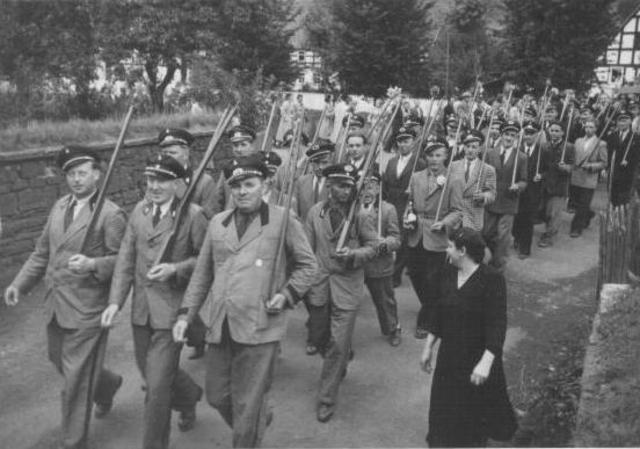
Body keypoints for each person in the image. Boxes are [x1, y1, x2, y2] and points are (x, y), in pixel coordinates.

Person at [173, 154, 318, 448]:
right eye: (236, 185)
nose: (242, 191)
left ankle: (248, 433)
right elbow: (202, 275)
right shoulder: (218, 223)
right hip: (221, 324)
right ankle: (254, 421)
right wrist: (185, 315)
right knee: (216, 395)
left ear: (264, 185)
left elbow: (308, 266)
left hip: (260, 324)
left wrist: (287, 294)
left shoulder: (282, 220)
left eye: (249, 184)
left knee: (247, 404)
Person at [4, 146, 126, 449]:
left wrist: (93, 264)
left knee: (75, 382)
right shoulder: (60, 206)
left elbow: (123, 261)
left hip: (88, 308)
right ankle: (107, 384)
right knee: (59, 360)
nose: (76, 179)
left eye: (82, 172)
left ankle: (73, 441)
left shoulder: (110, 214)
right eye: (70, 173)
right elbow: (42, 252)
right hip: (57, 306)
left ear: (97, 174)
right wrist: (19, 284)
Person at [102, 154, 207, 449]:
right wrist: (115, 302)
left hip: (172, 313)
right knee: (152, 373)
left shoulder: (193, 215)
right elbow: (125, 259)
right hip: (140, 313)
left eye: (162, 180)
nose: (154, 186)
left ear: (177, 183)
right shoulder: (139, 210)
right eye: (150, 179)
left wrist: (176, 269)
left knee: (157, 389)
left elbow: (205, 261)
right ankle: (189, 397)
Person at [420, 227, 517, 447]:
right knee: (444, 406)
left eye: (450, 246)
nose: (447, 249)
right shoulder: (447, 273)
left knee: (471, 414)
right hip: (450, 355)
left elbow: (497, 325)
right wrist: (428, 348)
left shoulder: (492, 280)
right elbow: (438, 314)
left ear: (462, 251)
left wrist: (485, 363)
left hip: (477, 357)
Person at [305, 163, 378, 423]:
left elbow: (374, 246)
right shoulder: (316, 212)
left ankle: (326, 399)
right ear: (329, 186)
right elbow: (307, 250)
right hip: (320, 285)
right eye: (340, 185)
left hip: (348, 287)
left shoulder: (360, 215)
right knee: (324, 339)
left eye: (350, 185)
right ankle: (341, 359)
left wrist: (355, 254)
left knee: (337, 342)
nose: (346, 191)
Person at [158, 127, 216, 359]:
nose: (166, 157)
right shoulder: (160, 179)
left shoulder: (204, 181)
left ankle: (163, 367)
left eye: (172, 152)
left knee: (185, 300)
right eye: (164, 153)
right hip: (170, 249)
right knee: (171, 304)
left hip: (195, 249)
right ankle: (195, 336)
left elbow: (211, 215)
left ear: (186, 152)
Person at [404, 140, 463, 339]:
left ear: (446, 156)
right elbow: (410, 204)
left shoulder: (453, 179)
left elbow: (457, 211)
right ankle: (432, 306)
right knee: (415, 274)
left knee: (432, 280)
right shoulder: (416, 177)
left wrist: (445, 223)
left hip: (437, 236)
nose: (434, 159)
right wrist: (408, 217)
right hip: (415, 234)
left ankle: (426, 320)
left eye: (438, 155)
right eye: (430, 155)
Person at [360, 172, 402, 346]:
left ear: (378, 188)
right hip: (354, 261)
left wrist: (386, 243)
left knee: (384, 300)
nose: (367, 191)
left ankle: (393, 328)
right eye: (363, 187)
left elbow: (396, 238)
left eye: (371, 186)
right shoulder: (352, 207)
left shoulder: (387, 209)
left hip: (378, 262)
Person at [382, 126, 427, 287]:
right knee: (389, 236)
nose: (402, 145)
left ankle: (396, 274)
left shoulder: (420, 163)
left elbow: (423, 186)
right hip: (391, 203)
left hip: (408, 204)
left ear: (413, 142)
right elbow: (386, 184)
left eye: (406, 141)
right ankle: (385, 270)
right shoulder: (392, 161)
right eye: (400, 141)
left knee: (403, 240)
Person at [483, 121, 528, 271]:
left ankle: (499, 265)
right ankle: (484, 261)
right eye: (506, 134)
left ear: (516, 138)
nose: (509, 138)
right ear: (501, 135)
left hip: (509, 201)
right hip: (490, 201)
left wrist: (518, 186)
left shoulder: (521, 157)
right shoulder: (490, 153)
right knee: (486, 233)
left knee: (503, 237)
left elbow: (524, 180)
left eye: (512, 135)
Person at [449, 130, 497, 232]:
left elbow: (492, 193)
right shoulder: (453, 166)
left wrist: (483, 196)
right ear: (464, 147)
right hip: (453, 218)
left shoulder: (487, 169)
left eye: (474, 147)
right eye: (468, 146)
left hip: (473, 217)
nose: (470, 150)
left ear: (479, 149)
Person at [512, 122, 547, 258]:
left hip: (533, 192)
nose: (528, 136)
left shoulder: (542, 152)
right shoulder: (517, 150)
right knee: (516, 218)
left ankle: (525, 249)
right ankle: (517, 237)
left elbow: (549, 170)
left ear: (537, 135)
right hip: (517, 191)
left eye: (532, 133)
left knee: (527, 220)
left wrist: (542, 175)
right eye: (526, 133)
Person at [538, 121, 574, 248]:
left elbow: (572, 167)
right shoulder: (544, 146)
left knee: (555, 213)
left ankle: (549, 236)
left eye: (557, 131)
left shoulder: (568, 147)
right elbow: (541, 166)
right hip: (546, 184)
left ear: (563, 132)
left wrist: (566, 167)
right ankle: (548, 229)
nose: (554, 133)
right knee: (545, 212)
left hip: (559, 185)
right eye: (552, 130)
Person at [570, 119, 608, 237]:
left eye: (591, 127)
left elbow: (604, 163)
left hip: (589, 178)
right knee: (575, 202)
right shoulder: (578, 141)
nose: (588, 129)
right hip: (576, 176)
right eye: (586, 127)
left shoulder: (600, 143)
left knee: (583, 203)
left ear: (596, 129)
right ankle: (589, 214)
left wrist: (591, 166)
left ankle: (576, 228)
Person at [211, 125, 259, 214]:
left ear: (252, 146)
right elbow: (217, 200)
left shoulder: (260, 170)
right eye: (235, 145)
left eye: (243, 145)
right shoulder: (228, 170)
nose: (239, 149)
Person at [606, 110, 640, 207]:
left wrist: (628, 161)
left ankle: (622, 218)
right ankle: (612, 218)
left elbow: (637, 156)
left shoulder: (636, 138)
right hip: (613, 170)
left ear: (630, 122)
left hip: (628, 172)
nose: (622, 123)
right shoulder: (612, 136)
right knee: (612, 195)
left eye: (625, 120)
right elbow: (608, 154)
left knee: (624, 197)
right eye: (620, 120)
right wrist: (606, 168)